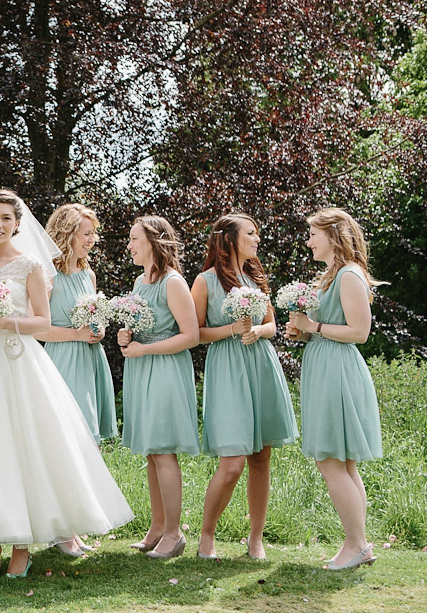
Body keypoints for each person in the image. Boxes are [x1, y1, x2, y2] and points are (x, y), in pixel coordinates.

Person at [0, 190, 133, 582]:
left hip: (21, 361)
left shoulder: (31, 265)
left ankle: (21, 548)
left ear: (18, 224)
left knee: (23, 448)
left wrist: (7, 322)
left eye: (6, 218)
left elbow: (42, 322)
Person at [190, 214, 297, 560]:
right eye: (251, 233)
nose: (257, 239)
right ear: (230, 239)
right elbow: (195, 333)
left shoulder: (254, 276)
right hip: (227, 368)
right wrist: (232, 330)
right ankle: (207, 535)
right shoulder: (205, 281)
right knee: (232, 462)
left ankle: (255, 539)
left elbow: (272, 325)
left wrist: (257, 331)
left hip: (261, 365)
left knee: (261, 457)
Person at [285, 208, 382, 570]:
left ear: (333, 235)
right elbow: (327, 325)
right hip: (325, 365)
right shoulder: (332, 276)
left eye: (313, 234)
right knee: (343, 463)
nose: (308, 241)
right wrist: (304, 330)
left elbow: (359, 332)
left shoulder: (349, 275)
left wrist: (316, 326)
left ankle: (356, 545)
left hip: (338, 370)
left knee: (330, 460)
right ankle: (360, 544)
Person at [37, 203, 116, 557]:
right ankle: (60, 530)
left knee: (89, 446)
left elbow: (93, 321)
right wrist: (77, 335)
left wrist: (98, 331)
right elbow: (39, 329)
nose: (92, 240)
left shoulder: (89, 273)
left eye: (92, 234)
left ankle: (74, 526)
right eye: (87, 233)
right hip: (63, 361)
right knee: (66, 444)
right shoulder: (47, 276)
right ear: (68, 233)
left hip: (90, 361)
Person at [118, 215, 199, 560]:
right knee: (152, 451)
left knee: (164, 450)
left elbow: (190, 336)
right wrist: (126, 335)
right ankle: (157, 526)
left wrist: (144, 348)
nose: (130, 245)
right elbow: (140, 324)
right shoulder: (140, 282)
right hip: (142, 367)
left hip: (165, 369)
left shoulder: (173, 282)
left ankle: (174, 533)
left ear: (153, 242)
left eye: (135, 239)